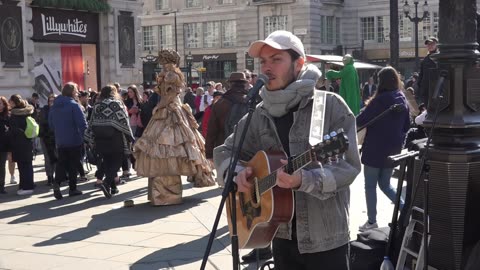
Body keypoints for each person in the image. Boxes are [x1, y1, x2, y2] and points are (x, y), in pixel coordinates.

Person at [213, 30, 361, 270]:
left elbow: (350, 167)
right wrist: (237, 171)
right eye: (263, 61)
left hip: (325, 239)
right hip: (278, 235)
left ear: (299, 63)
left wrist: (305, 179)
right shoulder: (259, 113)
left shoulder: (328, 106)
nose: (267, 68)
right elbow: (225, 151)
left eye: (276, 59)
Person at [134, 49, 215, 206]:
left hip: (170, 111)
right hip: (168, 111)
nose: (160, 64)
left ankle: (167, 194)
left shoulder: (172, 75)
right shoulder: (170, 74)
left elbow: (170, 96)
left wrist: (159, 107)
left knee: (169, 148)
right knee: (163, 148)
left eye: (162, 61)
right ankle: (161, 193)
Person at [356, 67, 410, 231]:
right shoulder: (402, 98)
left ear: (381, 82)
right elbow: (407, 125)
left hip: (374, 149)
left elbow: (362, 120)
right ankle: (405, 212)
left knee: (370, 185)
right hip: (393, 150)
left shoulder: (379, 100)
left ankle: (372, 221)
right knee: (386, 185)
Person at [86, 85, 134, 199]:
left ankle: (112, 188)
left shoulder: (97, 105)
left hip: (100, 139)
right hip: (115, 138)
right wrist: (130, 137)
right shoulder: (117, 104)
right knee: (117, 161)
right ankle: (107, 182)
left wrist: (90, 138)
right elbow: (124, 121)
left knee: (107, 162)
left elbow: (91, 122)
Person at [49, 82, 87, 200]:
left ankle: (57, 183)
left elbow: (51, 124)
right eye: (76, 91)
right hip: (74, 139)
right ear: (72, 92)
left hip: (60, 140)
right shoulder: (74, 105)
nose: (77, 93)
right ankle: (72, 189)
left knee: (61, 163)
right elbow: (82, 124)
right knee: (73, 164)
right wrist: (86, 136)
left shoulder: (54, 106)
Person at [8, 95, 36, 195]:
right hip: (28, 142)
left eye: (10, 101)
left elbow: (14, 131)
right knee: (28, 165)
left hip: (19, 144)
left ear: (13, 102)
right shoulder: (27, 112)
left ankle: (27, 187)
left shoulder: (15, 115)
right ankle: (27, 185)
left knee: (23, 166)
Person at [38, 94, 57, 186]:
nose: (52, 103)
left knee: (56, 156)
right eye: (50, 101)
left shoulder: (59, 110)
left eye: (54, 101)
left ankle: (57, 176)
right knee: (48, 157)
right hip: (45, 137)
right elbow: (43, 122)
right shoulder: (44, 110)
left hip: (56, 137)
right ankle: (50, 177)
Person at [417, 36, 439, 106]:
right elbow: (421, 75)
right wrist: (420, 87)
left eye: (432, 44)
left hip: (436, 89)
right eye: (428, 44)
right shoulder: (425, 60)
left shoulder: (440, 58)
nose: (430, 46)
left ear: (437, 45)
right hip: (426, 91)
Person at [0, 96, 10, 194]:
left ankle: (1, 186)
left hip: (3, 145)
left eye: (0, 103)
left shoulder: (7, 116)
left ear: (4, 105)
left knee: (2, 166)